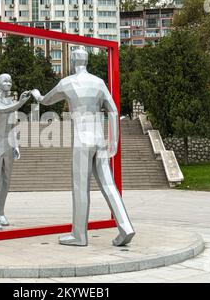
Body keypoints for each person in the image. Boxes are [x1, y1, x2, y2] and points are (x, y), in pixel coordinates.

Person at [31, 47, 135, 246]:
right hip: (100, 140)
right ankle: (126, 228)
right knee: (109, 185)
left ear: (72, 61)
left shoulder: (67, 83)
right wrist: (113, 141)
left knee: (80, 188)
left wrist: (37, 94)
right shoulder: (98, 82)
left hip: (82, 141)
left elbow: (46, 100)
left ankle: (79, 235)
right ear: (86, 61)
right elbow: (113, 110)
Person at [0, 73, 30, 230]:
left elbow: (12, 126)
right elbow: (4, 110)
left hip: (8, 144)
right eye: (5, 81)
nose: (8, 83)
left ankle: (0, 212)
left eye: (10, 81)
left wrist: (16, 145)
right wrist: (20, 103)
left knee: (6, 181)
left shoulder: (11, 102)